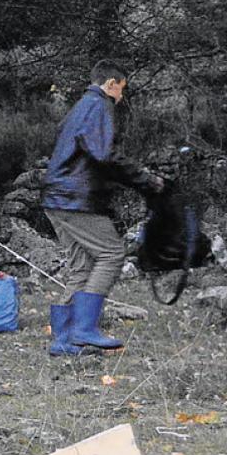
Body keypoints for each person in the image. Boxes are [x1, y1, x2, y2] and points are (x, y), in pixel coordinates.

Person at [42, 60, 163, 357]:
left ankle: (64, 341)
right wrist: (147, 180)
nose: (121, 97)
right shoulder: (99, 105)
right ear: (111, 84)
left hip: (56, 197)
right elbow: (104, 154)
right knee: (111, 253)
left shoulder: (81, 106)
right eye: (121, 89)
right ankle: (84, 330)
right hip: (75, 199)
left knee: (81, 267)